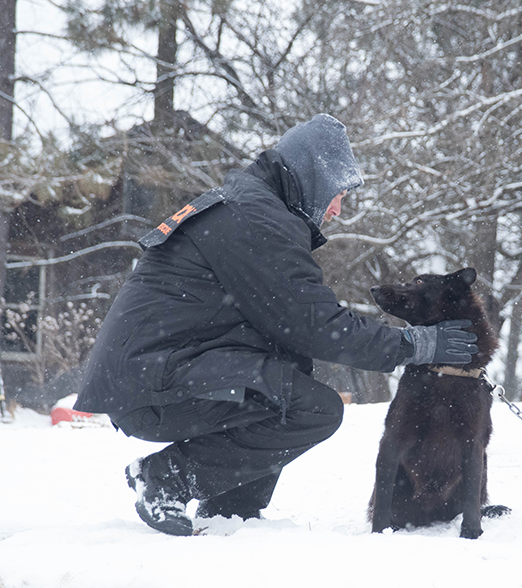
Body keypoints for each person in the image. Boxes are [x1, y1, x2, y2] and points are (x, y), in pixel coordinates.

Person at [75, 114, 478, 536]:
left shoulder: (251, 207)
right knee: (313, 408)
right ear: (313, 174)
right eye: (337, 193)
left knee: (288, 375)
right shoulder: (254, 219)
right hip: (152, 381)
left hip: (155, 373)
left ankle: (230, 508)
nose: (338, 209)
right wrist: (415, 345)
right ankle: (164, 479)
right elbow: (317, 325)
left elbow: (294, 329)